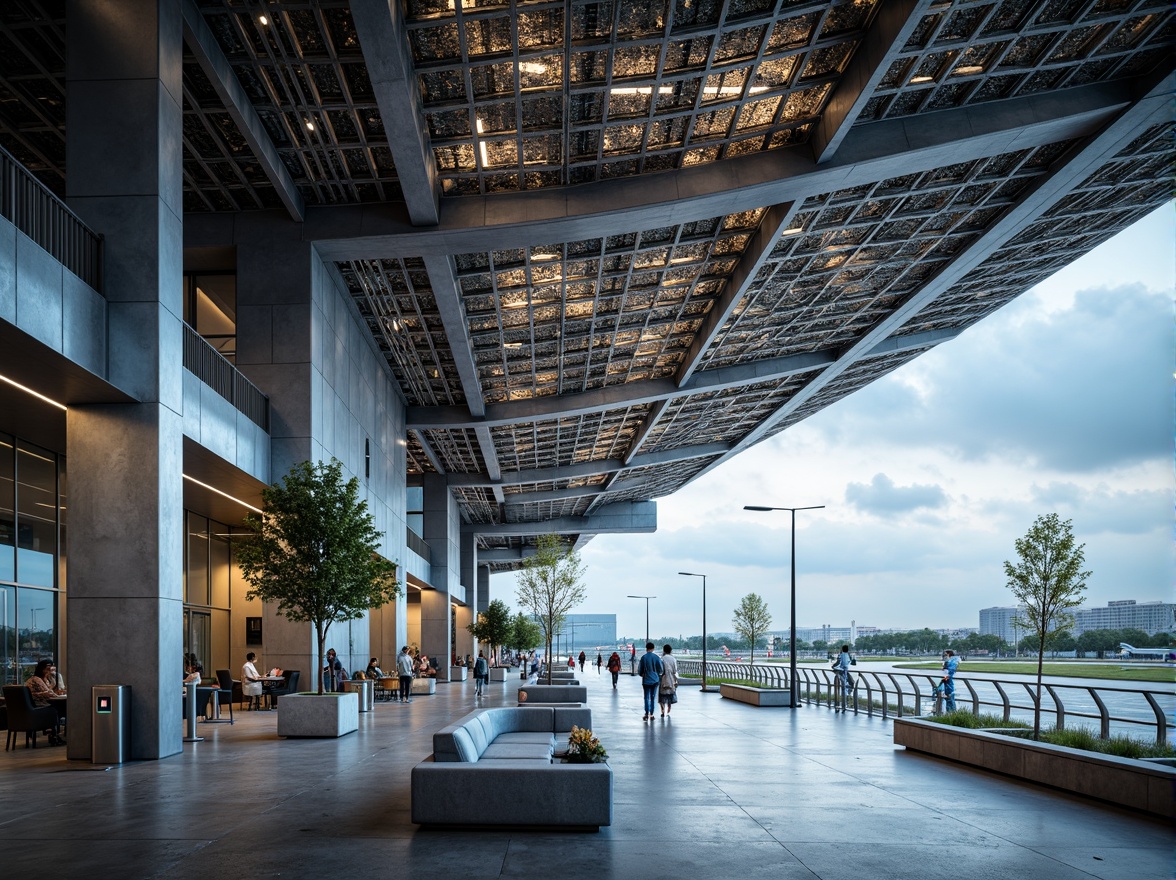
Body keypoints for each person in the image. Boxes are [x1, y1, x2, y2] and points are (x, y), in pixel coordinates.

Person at [26, 659, 65, 744]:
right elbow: (49, 692)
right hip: (37, 706)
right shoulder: (36, 679)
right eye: (47, 668)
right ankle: (54, 735)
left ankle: (54, 733)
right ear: (41, 669)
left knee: (61, 708)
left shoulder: (45, 679)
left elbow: (49, 691)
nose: (50, 670)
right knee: (59, 709)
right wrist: (57, 694)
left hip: (37, 705)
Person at [637, 643, 663, 721]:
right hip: (655, 680)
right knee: (652, 697)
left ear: (646, 648)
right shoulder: (656, 657)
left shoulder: (643, 658)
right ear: (653, 648)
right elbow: (661, 669)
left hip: (646, 680)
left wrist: (642, 674)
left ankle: (646, 713)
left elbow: (640, 670)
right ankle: (651, 714)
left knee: (646, 697)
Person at [658, 644, 679, 717]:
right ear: (671, 650)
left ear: (663, 650)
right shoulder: (673, 659)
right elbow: (675, 670)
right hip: (671, 679)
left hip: (663, 679)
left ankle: (663, 709)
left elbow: (660, 670)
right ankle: (669, 708)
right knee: (670, 694)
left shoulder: (662, 659)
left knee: (662, 695)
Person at [831, 645, 853, 711]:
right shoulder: (848, 655)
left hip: (841, 670)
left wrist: (833, 666)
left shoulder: (841, 655)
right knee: (845, 685)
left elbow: (838, 662)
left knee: (843, 685)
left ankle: (840, 704)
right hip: (845, 670)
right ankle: (845, 703)